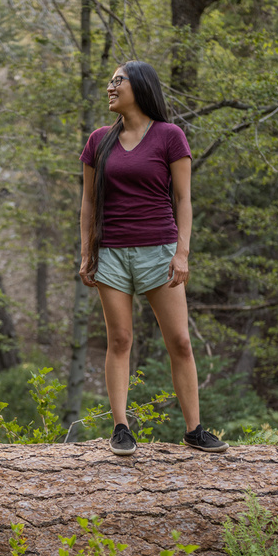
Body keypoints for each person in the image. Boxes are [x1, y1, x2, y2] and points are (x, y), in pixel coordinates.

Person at [79, 60, 228, 456]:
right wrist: (86, 254)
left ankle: (195, 430)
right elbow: (88, 203)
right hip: (110, 254)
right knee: (120, 339)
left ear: (140, 87)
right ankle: (121, 428)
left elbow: (183, 199)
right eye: (109, 82)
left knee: (179, 341)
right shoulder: (98, 141)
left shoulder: (169, 136)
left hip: (159, 252)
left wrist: (182, 252)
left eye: (118, 81)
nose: (110, 88)